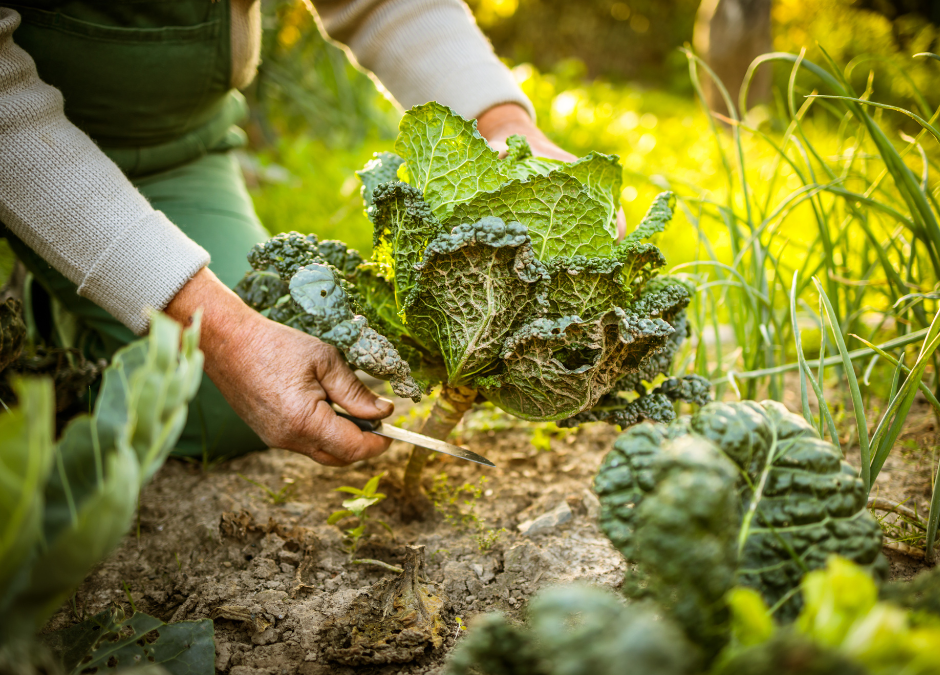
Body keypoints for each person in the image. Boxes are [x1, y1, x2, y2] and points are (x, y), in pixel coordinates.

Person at [0, 0, 604, 467]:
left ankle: (68, 306)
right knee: (223, 357)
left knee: (229, 408)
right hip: (19, 151)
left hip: (174, 149)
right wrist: (224, 333)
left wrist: (498, 122)